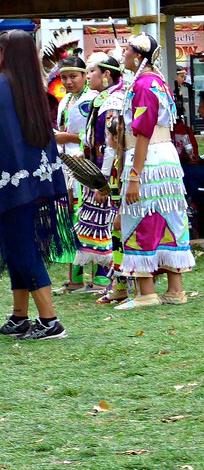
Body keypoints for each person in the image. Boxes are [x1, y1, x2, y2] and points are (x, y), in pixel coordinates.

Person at [0, 30, 74, 340]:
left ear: (7, 54)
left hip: (11, 183)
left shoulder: (3, 86)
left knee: (21, 249)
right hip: (34, 181)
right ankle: (20, 316)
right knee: (17, 247)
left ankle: (50, 320)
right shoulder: (31, 89)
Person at [115, 33, 195, 309]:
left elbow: (143, 133)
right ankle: (175, 290)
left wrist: (135, 176)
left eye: (126, 51)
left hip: (147, 160)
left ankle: (146, 292)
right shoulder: (157, 82)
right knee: (167, 216)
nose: (123, 55)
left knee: (141, 215)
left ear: (138, 56)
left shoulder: (144, 85)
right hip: (164, 158)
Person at [70, 53, 127, 301]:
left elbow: (112, 145)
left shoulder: (113, 101)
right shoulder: (103, 99)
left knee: (111, 227)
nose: (88, 75)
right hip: (101, 171)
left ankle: (115, 282)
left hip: (110, 174)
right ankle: (115, 283)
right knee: (104, 226)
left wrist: (102, 181)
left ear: (106, 74)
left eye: (91, 71)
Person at [53, 55, 99, 293]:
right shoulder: (65, 101)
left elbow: (97, 137)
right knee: (71, 219)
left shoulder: (94, 100)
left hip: (87, 165)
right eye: (64, 77)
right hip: (66, 165)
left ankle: (101, 280)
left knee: (92, 218)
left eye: (73, 76)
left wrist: (69, 138)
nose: (69, 82)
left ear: (85, 76)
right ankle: (75, 280)